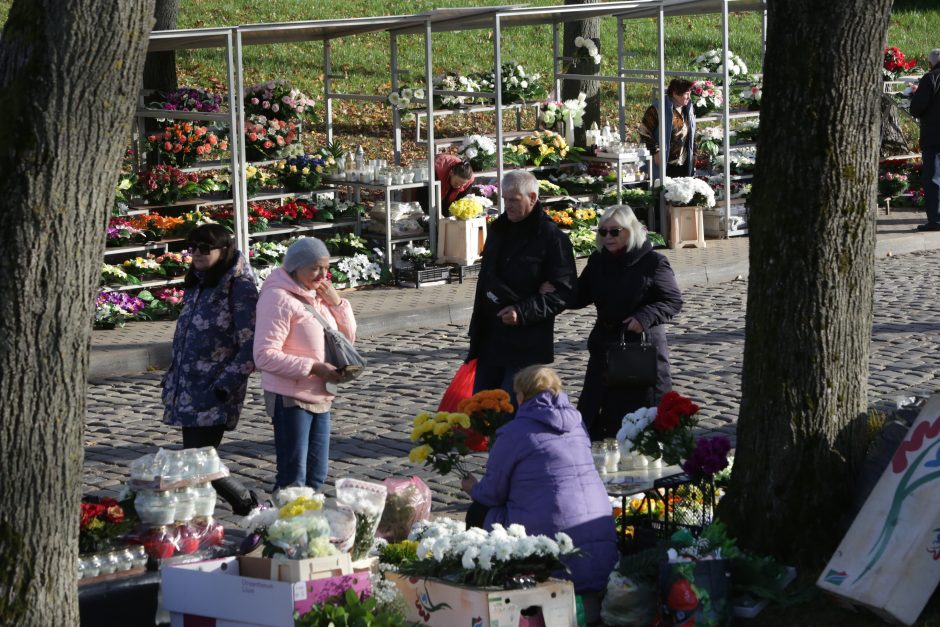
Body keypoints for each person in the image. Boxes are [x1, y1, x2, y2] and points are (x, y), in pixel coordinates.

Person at [460, 365, 618, 604]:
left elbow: (492, 494)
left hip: (554, 558)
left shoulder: (514, 432)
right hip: (602, 550)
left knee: (478, 512)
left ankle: (489, 590)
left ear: (522, 395)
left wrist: (472, 487)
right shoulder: (577, 425)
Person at [162, 224, 260, 515]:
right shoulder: (198, 281)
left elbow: (251, 342)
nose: (198, 254)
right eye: (193, 248)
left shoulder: (238, 286)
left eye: (206, 248)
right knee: (199, 459)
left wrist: (226, 383)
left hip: (215, 388)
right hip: (188, 386)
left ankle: (244, 502)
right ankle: (195, 516)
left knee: (198, 459)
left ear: (223, 249)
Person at [569, 205, 683, 441]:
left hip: (639, 349)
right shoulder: (599, 261)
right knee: (597, 411)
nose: (608, 237)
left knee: (639, 417)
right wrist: (558, 290)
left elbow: (672, 300)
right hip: (605, 347)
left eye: (614, 231)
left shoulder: (653, 262)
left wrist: (644, 317)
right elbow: (581, 295)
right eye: (603, 232)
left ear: (630, 231)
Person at [253, 238, 357, 493]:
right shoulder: (277, 298)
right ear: (295, 267)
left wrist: (337, 303)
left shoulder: (317, 296)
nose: (322, 275)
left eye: (325, 268)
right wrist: (314, 367)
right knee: (293, 478)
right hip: (291, 398)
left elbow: (348, 339)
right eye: (314, 268)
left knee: (316, 476)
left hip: (322, 395)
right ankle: (286, 528)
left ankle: (310, 527)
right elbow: (264, 355)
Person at [467, 170, 577, 400]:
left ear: (532, 198)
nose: (508, 206)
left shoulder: (551, 237)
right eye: (505, 199)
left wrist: (523, 311)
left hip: (525, 342)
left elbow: (565, 292)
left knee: (511, 411)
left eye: (514, 200)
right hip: (490, 337)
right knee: (482, 409)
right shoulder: (499, 229)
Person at [638, 77, 697, 179]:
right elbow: (644, 132)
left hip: (683, 163)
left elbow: (693, 132)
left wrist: (694, 152)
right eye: (686, 94)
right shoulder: (657, 109)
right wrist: (655, 152)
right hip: (664, 163)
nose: (689, 97)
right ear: (674, 93)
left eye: (690, 94)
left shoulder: (689, 109)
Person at [911, 48, 940, 232]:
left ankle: (936, 219)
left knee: (934, 177)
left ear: (930, 64)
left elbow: (916, 108)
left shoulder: (930, 79)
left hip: (934, 135)